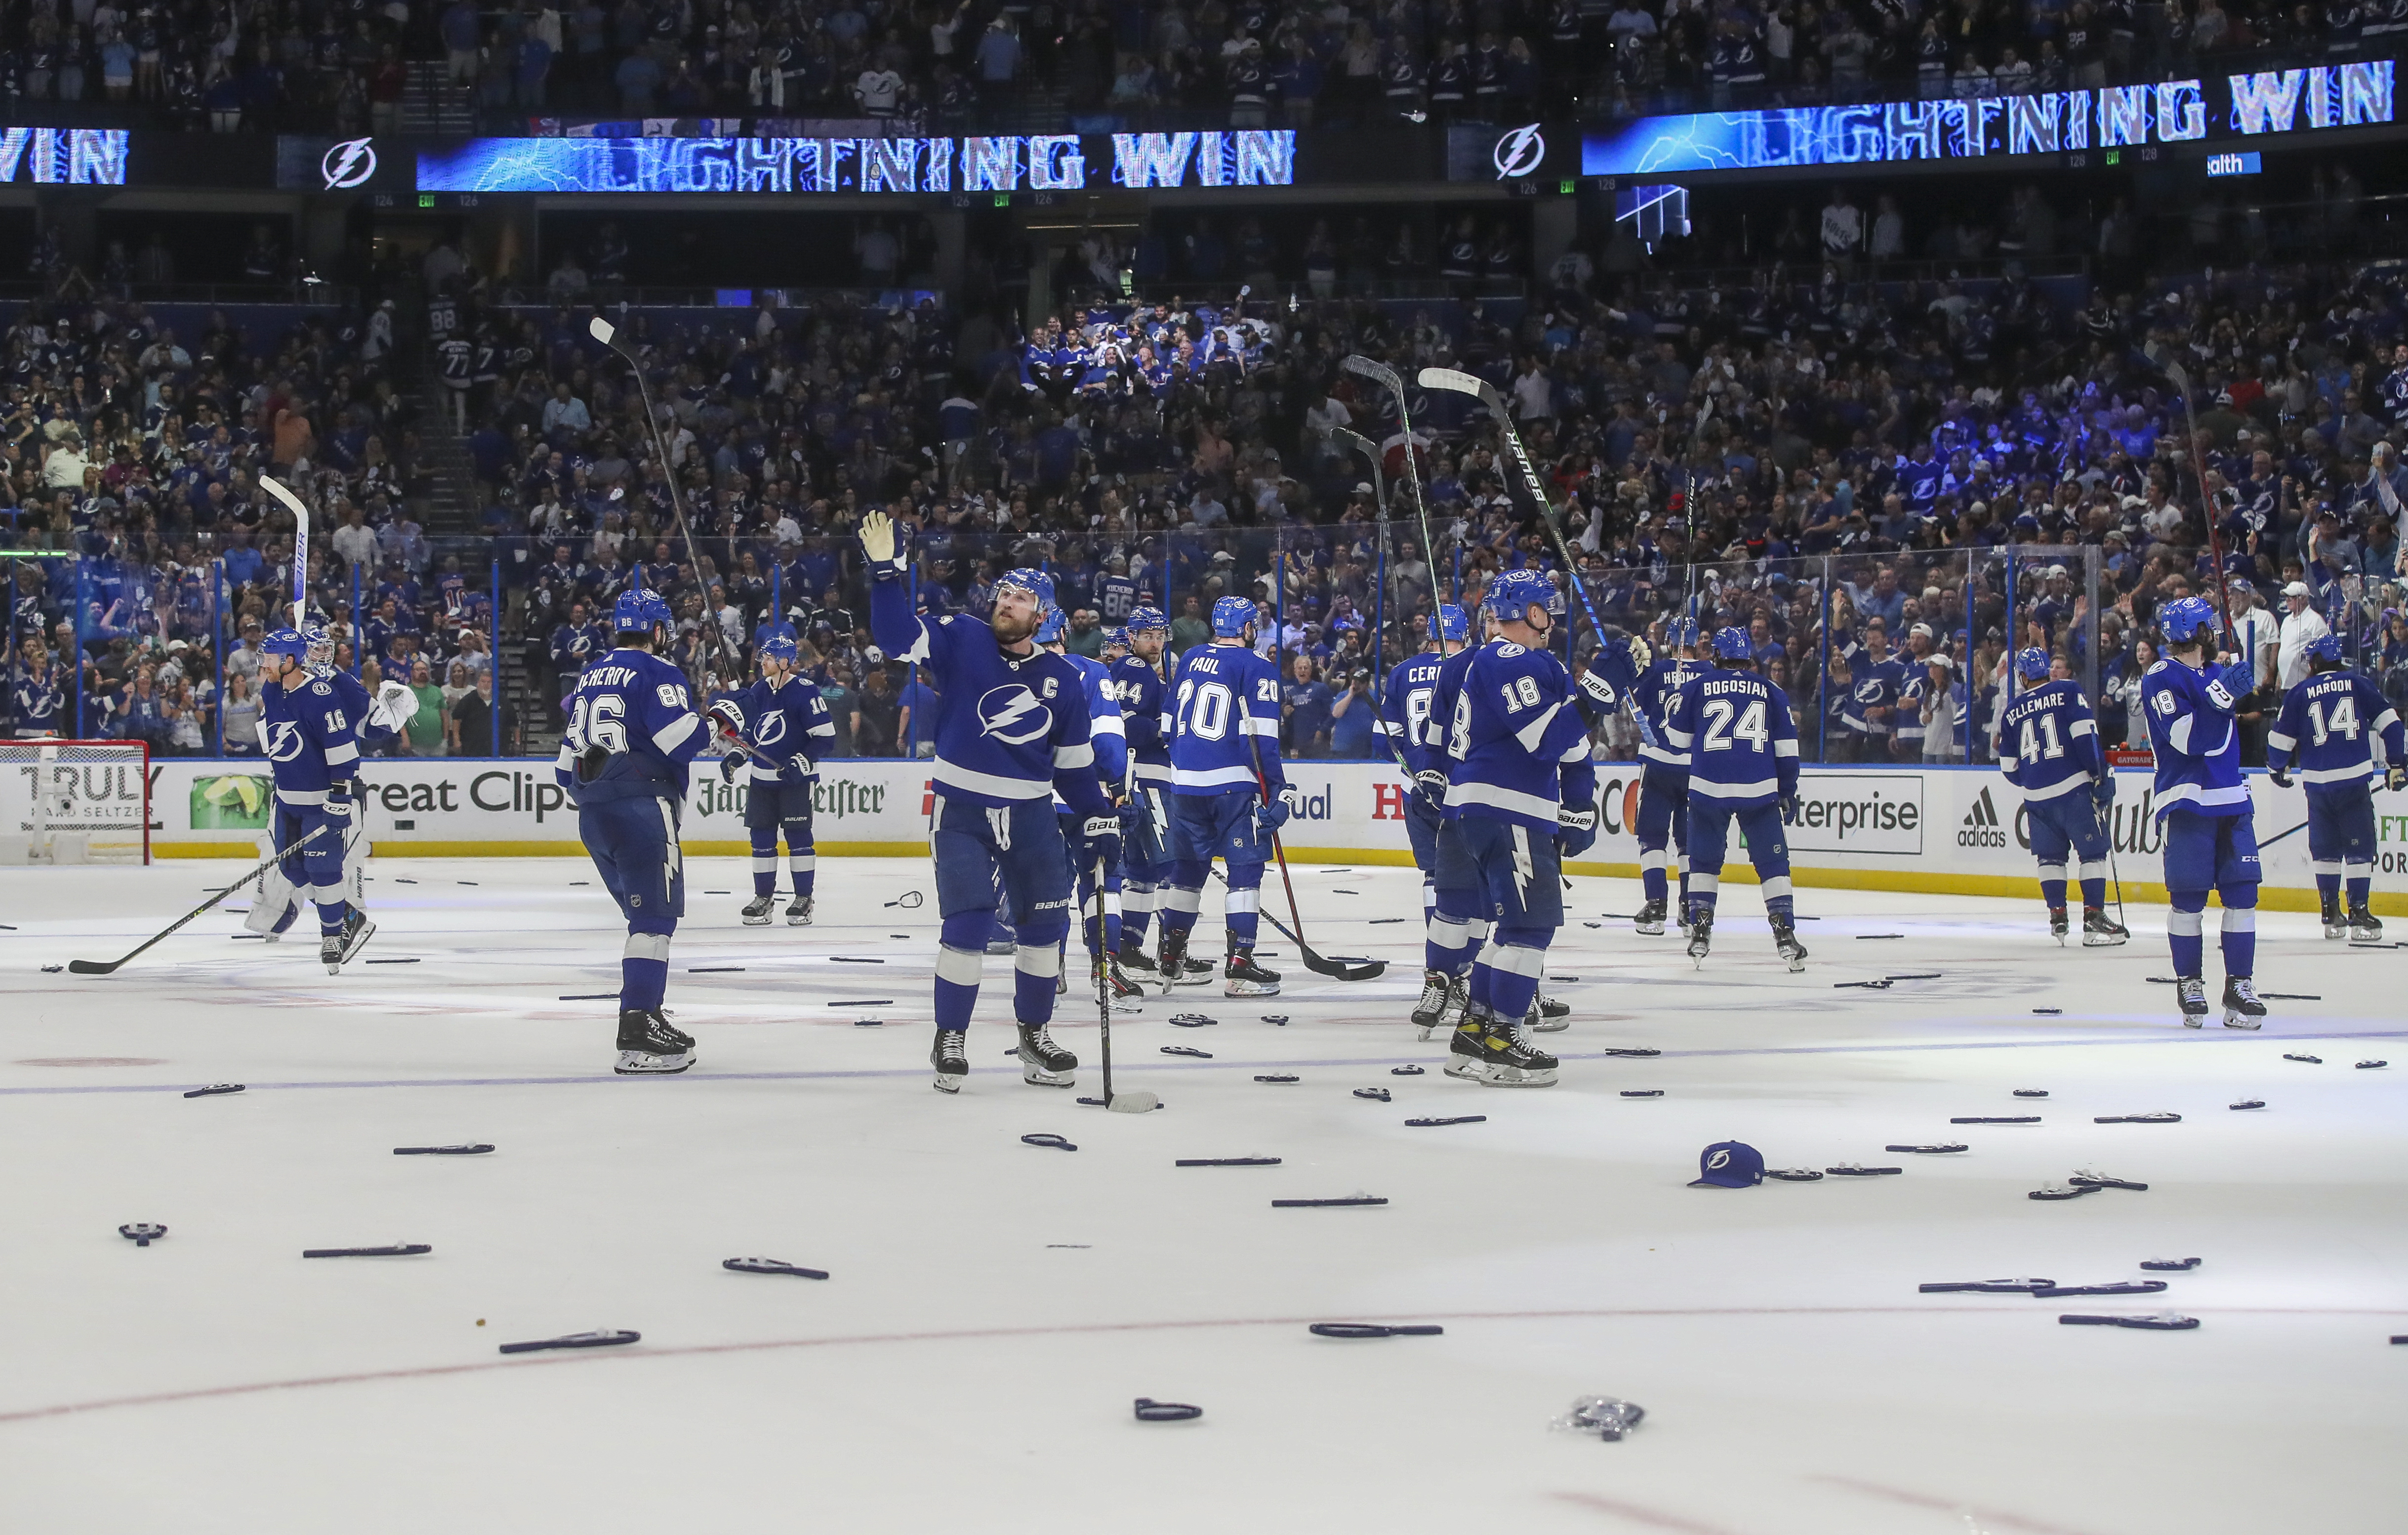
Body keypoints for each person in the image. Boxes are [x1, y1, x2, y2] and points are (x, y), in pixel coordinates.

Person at [859, 510, 1118, 1095]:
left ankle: (1035, 1033)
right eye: (1004, 593)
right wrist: (883, 575)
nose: (1007, 603)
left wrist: (1099, 815)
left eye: (1022, 598)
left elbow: (1075, 772)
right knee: (970, 923)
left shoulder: (1064, 680)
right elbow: (896, 638)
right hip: (963, 812)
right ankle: (950, 1036)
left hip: (1031, 816)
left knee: (1045, 925)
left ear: (1043, 615)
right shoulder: (963, 637)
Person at [1423, 572, 1631, 1087]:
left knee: (1511, 931)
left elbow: (1563, 743)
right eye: (1546, 609)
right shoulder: (1507, 657)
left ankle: (1474, 1031)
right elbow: (1544, 739)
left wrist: (1577, 802)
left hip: (1488, 809)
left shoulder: (1519, 663)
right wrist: (1596, 694)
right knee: (1531, 929)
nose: (1553, 619)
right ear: (1530, 612)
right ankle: (1502, 1043)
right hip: (1506, 809)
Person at [552, 587, 707, 1074]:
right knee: (654, 921)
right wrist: (718, 720)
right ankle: (637, 1027)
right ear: (658, 630)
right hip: (642, 806)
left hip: (593, 812)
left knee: (644, 919)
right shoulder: (658, 671)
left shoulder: (591, 674)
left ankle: (647, 1011)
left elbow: (562, 769)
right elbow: (677, 739)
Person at [1157, 594, 1293, 998]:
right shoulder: (1258, 667)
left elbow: (1166, 725)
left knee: (1186, 872)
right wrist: (1278, 790)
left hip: (1183, 784)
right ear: (1249, 629)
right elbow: (1264, 738)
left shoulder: (1191, 658)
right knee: (1245, 873)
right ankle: (1240, 966)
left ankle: (1170, 957)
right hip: (1235, 786)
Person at [2140, 597, 2267, 1029]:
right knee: (2189, 898)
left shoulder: (2218, 673)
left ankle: (2239, 985)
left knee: (2243, 896)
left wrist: (2229, 687)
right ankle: (2189, 982)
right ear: (2194, 633)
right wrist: (2221, 694)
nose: (2213, 633)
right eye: (2206, 627)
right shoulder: (2159, 678)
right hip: (2187, 800)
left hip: (2231, 797)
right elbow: (2189, 739)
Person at [1665, 627, 1807, 971]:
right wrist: (1786, 791)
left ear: (1715, 655)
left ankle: (1700, 929)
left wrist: (1674, 706)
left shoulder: (1696, 686)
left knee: (1703, 862)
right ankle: (1785, 931)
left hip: (1707, 790)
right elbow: (1787, 751)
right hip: (1759, 791)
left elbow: (1676, 740)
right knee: (1773, 865)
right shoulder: (1771, 690)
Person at [245, 627, 385, 972]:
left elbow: (343, 751)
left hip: (319, 801)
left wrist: (340, 795)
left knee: (323, 869)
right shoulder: (271, 689)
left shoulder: (321, 696)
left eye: (271, 658)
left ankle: (332, 934)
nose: (263, 664)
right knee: (291, 867)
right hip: (286, 800)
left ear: (290, 661)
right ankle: (348, 917)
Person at [2266, 633, 2405, 944]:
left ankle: (2330, 911)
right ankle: (2359, 911)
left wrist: (2277, 768)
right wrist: (2397, 763)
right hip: (2353, 781)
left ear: (2314, 662)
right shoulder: (2357, 684)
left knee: (2325, 847)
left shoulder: (2300, 692)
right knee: (2359, 848)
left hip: (2317, 785)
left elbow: (2278, 741)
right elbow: (2392, 724)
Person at [1037, 605, 1138, 1001]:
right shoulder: (1092, 672)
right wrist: (1118, 785)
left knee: (1046, 887)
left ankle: (1048, 969)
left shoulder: (1007, 672)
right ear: (1063, 632)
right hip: (1087, 795)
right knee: (1103, 881)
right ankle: (1105, 966)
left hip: (1035, 799)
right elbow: (1110, 743)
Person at [1996, 648, 2127, 946]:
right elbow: (2086, 736)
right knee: (2093, 853)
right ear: (2048, 671)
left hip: (2036, 799)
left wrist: (2033, 779)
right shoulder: (2068, 690)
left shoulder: (2012, 711)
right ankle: (2094, 919)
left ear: (2023, 676)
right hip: (2074, 790)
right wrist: (2098, 775)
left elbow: (2008, 768)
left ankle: (2058, 917)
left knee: (2050, 858)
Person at [710, 625, 835, 927]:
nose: (762, 661)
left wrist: (800, 761)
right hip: (762, 781)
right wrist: (737, 756)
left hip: (796, 782)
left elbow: (825, 737)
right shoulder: (759, 690)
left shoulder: (805, 692)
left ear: (784, 661)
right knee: (762, 840)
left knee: (798, 838)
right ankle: (763, 898)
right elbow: (752, 733)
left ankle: (803, 898)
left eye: (768, 657)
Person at [1386, 603, 1473, 1033]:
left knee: (1432, 876)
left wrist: (1414, 769)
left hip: (1416, 787)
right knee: (1470, 878)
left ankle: (1438, 970)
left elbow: (1386, 738)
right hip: (1460, 789)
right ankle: (1463, 972)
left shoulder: (1401, 672)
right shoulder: (1471, 667)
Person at [1110, 607, 1183, 981]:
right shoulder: (1135, 669)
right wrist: (1165, 730)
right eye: (1147, 636)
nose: (1154, 643)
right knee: (1171, 867)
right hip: (1146, 779)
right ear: (1132, 637)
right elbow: (1127, 726)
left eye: (1159, 636)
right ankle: (1171, 951)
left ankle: (1129, 947)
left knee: (1142, 872)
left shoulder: (1148, 673)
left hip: (1140, 778)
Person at [1630, 616, 1710, 936]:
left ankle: (1655, 907)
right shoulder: (1708, 674)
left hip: (1659, 763)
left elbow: (1637, 700)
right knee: (1688, 842)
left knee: (1651, 837)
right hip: (1694, 767)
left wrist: (1640, 671)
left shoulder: (1659, 670)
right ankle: (1689, 910)